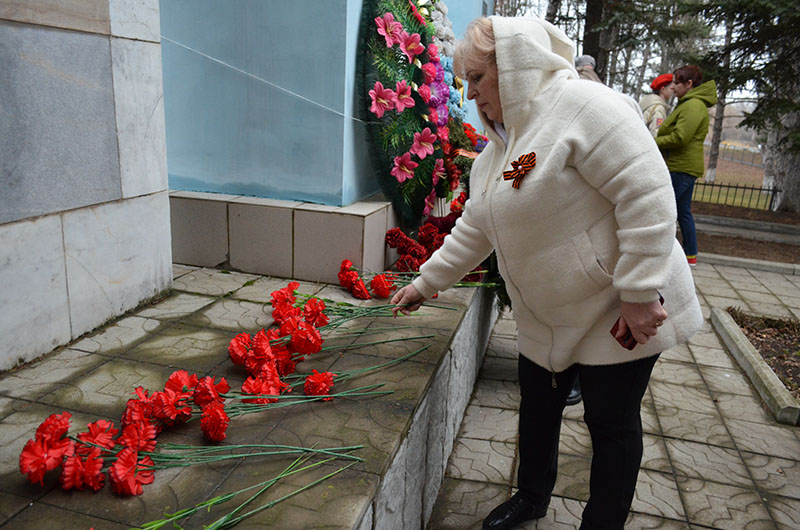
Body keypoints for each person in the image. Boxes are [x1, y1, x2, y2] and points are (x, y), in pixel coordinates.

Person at [391, 16, 703, 530]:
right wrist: (426, 283)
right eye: (464, 82)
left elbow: (647, 193)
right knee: (538, 410)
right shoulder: (496, 154)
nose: (470, 96)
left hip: (618, 308)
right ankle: (531, 497)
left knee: (610, 424)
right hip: (549, 315)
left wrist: (639, 290)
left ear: (513, 66)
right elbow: (476, 227)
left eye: (477, 79)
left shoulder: (586, 108)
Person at [655, 65, 717, 267]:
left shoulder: (693, 105)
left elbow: (681, 137)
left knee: (666, 211)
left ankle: (664, 255)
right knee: (682, 212)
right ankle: (689, 255)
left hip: (681, 167)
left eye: (677, 82)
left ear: (689, 84)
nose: (672, 87)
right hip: (683, 166)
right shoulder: (689, 103)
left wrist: (654, 141)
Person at [640, 73, 674, 138]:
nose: (673, 91)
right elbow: (655, 133)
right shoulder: (658, 108)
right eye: (671, 89)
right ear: (662, 89)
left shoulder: (646, 103)